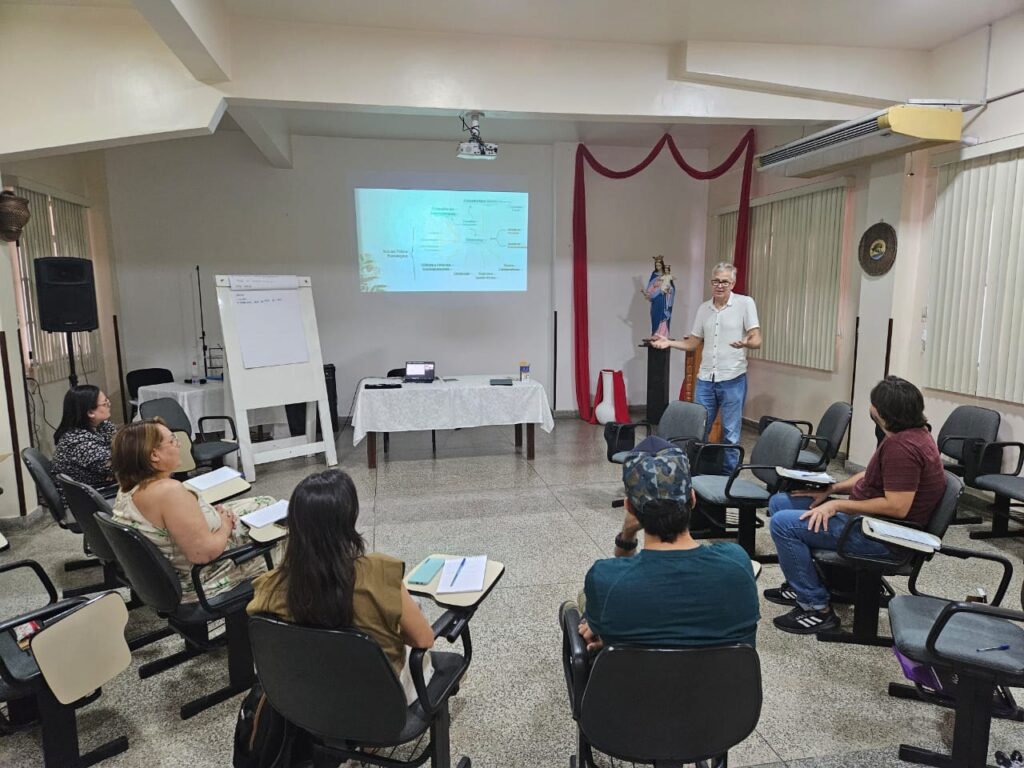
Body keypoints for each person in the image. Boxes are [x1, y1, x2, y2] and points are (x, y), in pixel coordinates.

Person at [764, 376, 946, 635]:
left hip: (884, 537)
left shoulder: (902, 448)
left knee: (784, 525)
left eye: (873, 405)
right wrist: (833, 490)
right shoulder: (910, 434)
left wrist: (838, 506)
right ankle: (803, 582)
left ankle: (816, 608)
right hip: (871, 522)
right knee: (781, 502)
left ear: (882, 413)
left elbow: (898, 507)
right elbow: (870, 475)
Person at [247, 469, 435, 703]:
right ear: (348, 520)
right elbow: (424, 640)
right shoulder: (379, 573)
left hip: (307, 702)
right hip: (379, 705)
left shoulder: (269, 586)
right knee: (414, 616)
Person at [579, 446, 760, 651]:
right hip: (726, 682)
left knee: (584, 603)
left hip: (637, 681)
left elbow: (622, 579)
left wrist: (614, 640)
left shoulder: (605, 579)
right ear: (692, 499)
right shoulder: (737, 562)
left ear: (629, 507)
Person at [111, 418, 277, 601]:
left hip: (172, 572)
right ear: (154, 455)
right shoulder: (169, 492)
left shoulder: (129, 487)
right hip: (205, 577)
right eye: (173, 440)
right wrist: (224, 526)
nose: (179, 444)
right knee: (292, 529)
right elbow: (203, 554)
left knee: (266, 502)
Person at [650, 262, 760, 473]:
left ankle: (729, 478)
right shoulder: (704, 309)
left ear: (733, 283)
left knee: (731, 432)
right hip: (706, 380)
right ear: (711, 283)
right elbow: (692, 343)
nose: (720, 285)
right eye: (716, 281)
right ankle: (695, 475)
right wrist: (669, 343)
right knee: (699, 429)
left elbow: (757, 339)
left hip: (733, 379)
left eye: (725, 282)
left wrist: (747, 342)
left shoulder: (745, 303)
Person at [51, 385, 118, 492]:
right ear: (90, 412)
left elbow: (123, 445)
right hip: (86, 496)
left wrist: (114, 469)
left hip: (99, 484)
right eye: (105, 403)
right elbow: (121, 467)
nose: (109, 405)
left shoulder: (103, 426)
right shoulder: (77, 441)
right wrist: (115, 471)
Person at [642, 255, 675, 338]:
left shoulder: (666, 275)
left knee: (663, 316)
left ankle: (663, 334)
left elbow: (672, 288)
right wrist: (648, 293)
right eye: (656, 265)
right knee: (655, 316)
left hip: (663, 300)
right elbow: (650, 288)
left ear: (662, 265)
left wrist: (669, 290)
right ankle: (655, 333)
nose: (658, 267)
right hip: (655, 300)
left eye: (659, 265)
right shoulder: (654, 274)